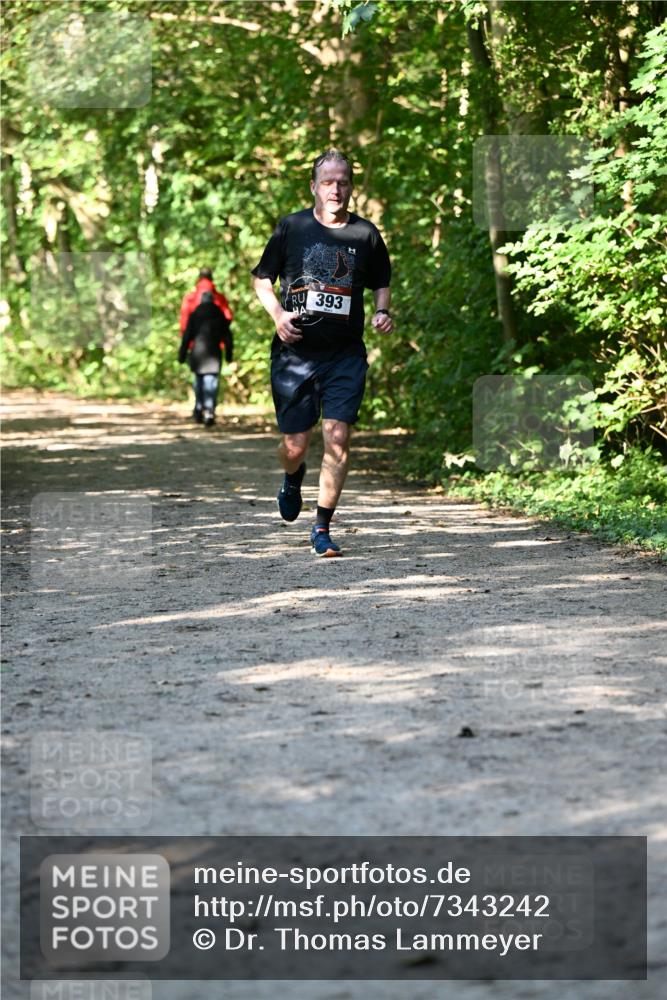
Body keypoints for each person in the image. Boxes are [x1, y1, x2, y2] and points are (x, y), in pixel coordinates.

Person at [251, 149, 392, 557]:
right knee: (295, 446)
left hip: (345, 355)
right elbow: (262, 280)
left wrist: (382, 311)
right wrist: (277, 314)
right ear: (313, 186)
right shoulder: (291, 228)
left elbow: (381, 279)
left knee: (338, 438)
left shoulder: (365, 235)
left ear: (351, 186)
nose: (336, 189)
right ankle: (292, 477)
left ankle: (322, 527)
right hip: (295, 355)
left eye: (343, 181)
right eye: (328, 182)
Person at [179, 268, 234, 425]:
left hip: (196, 348)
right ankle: (209, 411)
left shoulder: (190, 299)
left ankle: (198, 408)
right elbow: (228, 321)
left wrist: (183, 351)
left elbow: (185, 326)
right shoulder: (220, 299)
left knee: (198, 379)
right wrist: (228, 352)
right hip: (214, 348)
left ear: (199, 278)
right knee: (212, 380)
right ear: (212, 277)